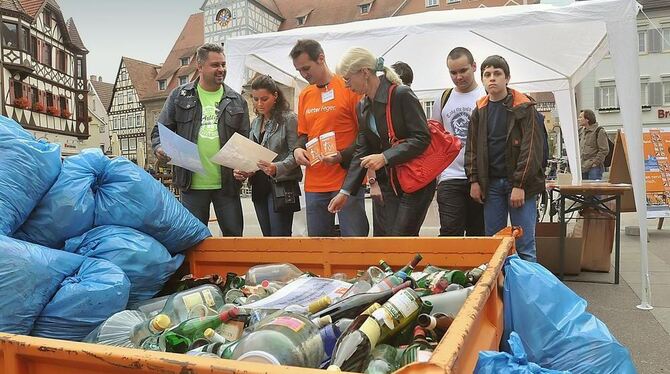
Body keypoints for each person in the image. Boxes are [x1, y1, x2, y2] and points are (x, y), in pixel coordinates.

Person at [329, 47, 434, 236]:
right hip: (390, 184)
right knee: (388, 240)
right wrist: (345, 192)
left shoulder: (401, 94)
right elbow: (362, 149)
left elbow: (422, 138)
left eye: (347, 79)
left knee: (400, 240)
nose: (346, 85)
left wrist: (385, 157)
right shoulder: (362, 106)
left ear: (364, 72)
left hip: (415, 182)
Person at [151, 43, 250, 236]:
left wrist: (244, 165)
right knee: (194, 240)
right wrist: (160, 148)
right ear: (200, 66)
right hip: (191, 184)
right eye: (215, 65)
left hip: (227, 185)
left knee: (234, 240)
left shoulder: (237, 100)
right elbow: (159, 132)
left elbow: (244, 141)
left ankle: (231, 268)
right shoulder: (179, 96)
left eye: (223, 64)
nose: (221, 69)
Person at [465, 55, 545, 262]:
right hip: (491, 186)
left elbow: (531, 151)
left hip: (520, 185)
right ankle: (498, 291)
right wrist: (474, 180)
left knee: (525, 244)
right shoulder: (479, 111)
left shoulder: (525, 108)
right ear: (482, 80)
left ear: (507, 78)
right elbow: (472, 149)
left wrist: (519, 184)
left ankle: (526, 293)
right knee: (494, 244)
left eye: (497, 74)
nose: (492, 78)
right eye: (487, 74)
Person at [290, 39, 369, 237]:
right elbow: (304, 134)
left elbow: (365, 134)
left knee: (354, 242)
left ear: (321, 58)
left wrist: (342, 156)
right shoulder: (306, 94)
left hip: (346, 180)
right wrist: (297, 149)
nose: (304, 74)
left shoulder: (348, 86)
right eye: (299, 70)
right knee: (318, 244)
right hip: (315, 182)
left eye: (306, 68)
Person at [233, 75, 302, 236]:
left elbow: (296, 153)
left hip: (281, 186)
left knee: (279, 237)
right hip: (259, 184)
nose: (259, 104)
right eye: (255, 99)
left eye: (264, 99)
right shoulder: (256, 122)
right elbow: (251, 153)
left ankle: (284, 262)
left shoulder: (289, 119)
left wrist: (276, 167)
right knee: (267, 238)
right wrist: (243, 169)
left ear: (275, 96)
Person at [431, 47, 485, 237]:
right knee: (449, 233)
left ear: (474, 67)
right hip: (449, 176)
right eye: (453, 72)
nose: (458, 77)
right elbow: (435, 136)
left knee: (478, 234)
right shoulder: (443, 98)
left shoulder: (485, 95)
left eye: (463, 71)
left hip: (480, 178)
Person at [578, 109, 609, 180]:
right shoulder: (581, 131)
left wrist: (595, 163)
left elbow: (604, 150)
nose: (578, 119)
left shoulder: (599, 131)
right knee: (583, 190)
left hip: (594, 168)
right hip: (583, 167)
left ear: (587, 119)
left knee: (594, 189)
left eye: (580, 117)